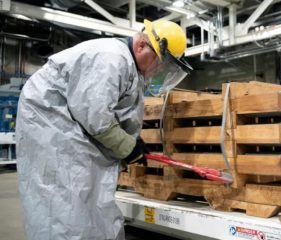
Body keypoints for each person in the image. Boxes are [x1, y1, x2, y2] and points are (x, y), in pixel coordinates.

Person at [16, 19, 192, 240]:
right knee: (67, 197)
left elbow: (119, 115)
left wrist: (131, 145)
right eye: (161, 63)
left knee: (90, 195)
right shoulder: (111, 59)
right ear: (140, 46)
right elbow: (96, 118)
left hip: (70, 122)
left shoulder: (130, 69)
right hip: (52, 122)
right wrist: (128, 147)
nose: (159, 71)